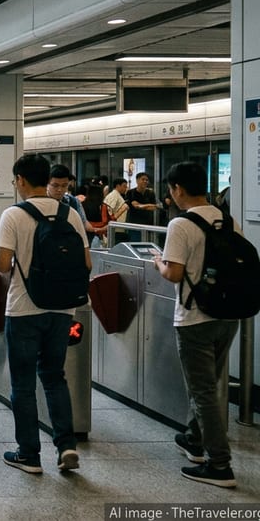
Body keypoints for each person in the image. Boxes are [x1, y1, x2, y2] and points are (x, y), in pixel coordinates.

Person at [0, 154, 88, 475]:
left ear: (20, 180)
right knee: (54, 376)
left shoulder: (13, 215)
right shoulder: (70, 214)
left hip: (23, 308)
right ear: (46, 179)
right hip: (63, 309)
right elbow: (86, 264)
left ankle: (29, 454)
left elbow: (3, 265)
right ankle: (66, 445)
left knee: (22, 383)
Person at [154, 161, 244, 488]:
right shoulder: (226, 220)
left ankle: (220, 465)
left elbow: (174, 274)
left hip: (194, 318)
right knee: (211, 382)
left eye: (171, 190)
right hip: (228, 316)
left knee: (203, 389)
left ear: (177, 189)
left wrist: (159, 264)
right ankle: (194, 438)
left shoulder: (182, 224)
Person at [124, 172, 159, 240]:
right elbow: (136, 206)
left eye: (146, 180)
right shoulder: (130, 192)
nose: (145, 181)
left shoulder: (150, 193)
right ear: (137, 180)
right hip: (134, 224)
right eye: (143, 179)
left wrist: (141, 206)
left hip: (147, 224)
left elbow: (153, 207)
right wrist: (148, 205)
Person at [103, 177, 130, 244]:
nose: (125, 188)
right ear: (118, 186)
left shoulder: (117, 195)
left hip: (118, 228)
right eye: (124, 186)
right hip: (115, 229)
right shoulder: (114, 195)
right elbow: (109, 211)